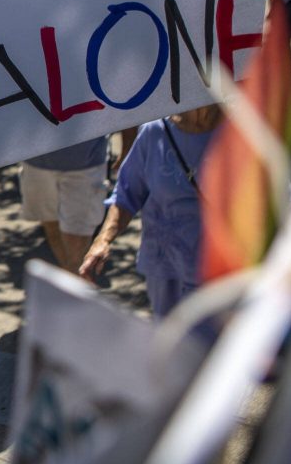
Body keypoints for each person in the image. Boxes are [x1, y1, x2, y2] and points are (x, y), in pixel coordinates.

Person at [78, 105, 222, 315]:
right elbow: (127, 193)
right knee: (170, 343)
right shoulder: (155, 132)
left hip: (221, 274)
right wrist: (103, 240)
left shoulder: (242, 130)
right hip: (166, 271)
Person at [20, 130, 136, 274]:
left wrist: (128, 149)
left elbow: (127, 112)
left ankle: (74, 281)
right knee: (51, 226)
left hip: (86, 165)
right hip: (35, 162)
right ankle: (71, 280)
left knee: (78, 239)